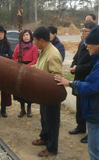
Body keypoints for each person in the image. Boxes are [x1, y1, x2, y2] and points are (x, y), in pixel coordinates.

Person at [54, 25, 99, 160]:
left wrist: (70, 83)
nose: (87, 47)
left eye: (88, 44)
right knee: (97, 148)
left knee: (96, 152)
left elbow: (92, 85)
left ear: (98, 44)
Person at [31, 26, 62, 157]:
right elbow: (39, 67)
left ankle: (52, 148)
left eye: (35, 40)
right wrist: (26, 68)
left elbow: (55, 78)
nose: (33, 43)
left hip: (51, 95)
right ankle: (44, 137)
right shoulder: (43, 51)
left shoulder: (53, 54)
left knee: (52, 122)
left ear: (41, 40)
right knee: (44, 118)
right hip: (43, 94)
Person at [68, 22, 96, 144]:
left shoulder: (94, 47)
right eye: (82, 31)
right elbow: (76, 57)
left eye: (86, 31)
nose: (83, 33)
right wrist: (72, 65)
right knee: (79, 105)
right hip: (79, 78)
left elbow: (91, 65)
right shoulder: (81, 44)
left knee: (88, 107)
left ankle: (91, 133)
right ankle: (80, 126)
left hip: (87, 80)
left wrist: (77, 68)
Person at [12, 29, 38, 117]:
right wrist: (18, 64)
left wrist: (27, 67)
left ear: (30, 36)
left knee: (29, 90)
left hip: (29, 69)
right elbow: (14, 57)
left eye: (27, 35)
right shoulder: (18, 47)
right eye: (24, 35)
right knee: (20, 90)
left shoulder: (34, 47)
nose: (25, 37)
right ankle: (22, 109)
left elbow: (35, 60)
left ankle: (29, 108)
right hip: (19, 68)